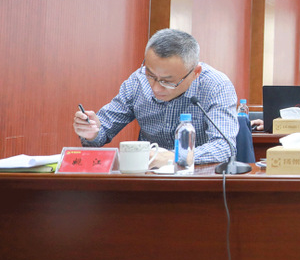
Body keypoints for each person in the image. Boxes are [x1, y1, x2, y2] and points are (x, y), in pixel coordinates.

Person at [73, 28, 239, 168]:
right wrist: (91, 132)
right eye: (151, 75)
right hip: (148, 180)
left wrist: (174, 157)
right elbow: (102, 131)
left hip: (198, 179)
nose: (156, 88)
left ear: (195, 72)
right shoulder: (138, 81)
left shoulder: (216, 86)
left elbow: (224, 147)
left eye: (168, 81)